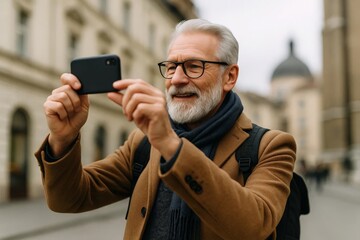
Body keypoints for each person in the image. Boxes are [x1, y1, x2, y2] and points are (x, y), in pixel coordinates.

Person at [35, 19, 296, 240]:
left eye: (195, 66)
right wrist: (63, 138)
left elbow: (252, 227)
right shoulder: (143, 142)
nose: (178, 79)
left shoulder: (271, 146)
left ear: (229, 77)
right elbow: (68, 199)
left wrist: (171, 145)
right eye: (171, 67)